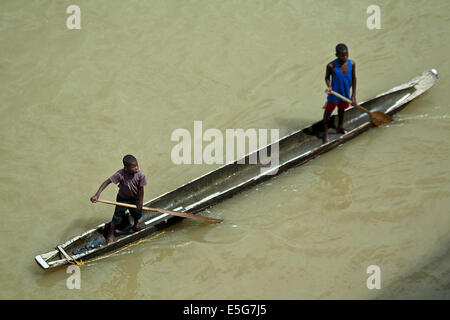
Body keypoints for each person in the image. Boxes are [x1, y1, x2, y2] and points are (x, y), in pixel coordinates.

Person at [90, 155, 147, 244]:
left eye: (137, 165)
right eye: (133, 166)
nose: (136, 168)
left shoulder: (140, 175)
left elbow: (141, 189)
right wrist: (97, 195)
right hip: (123, 198)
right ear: (126, 168)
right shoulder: (120, 174)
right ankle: (111, 235)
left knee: (137, 213)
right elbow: (106, 182)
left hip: (135, 199)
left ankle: (136, 225)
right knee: (117, 217)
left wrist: (140, 202)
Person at [323, 43, 357, 143]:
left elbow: (354, 78)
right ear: (336, 55)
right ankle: (325, 135)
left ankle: (340, 127)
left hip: (345, 94)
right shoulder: (331, 66)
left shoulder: (352, 64)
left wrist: (353, 95)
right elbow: (326, 77)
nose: (345, 57)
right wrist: (329, 86)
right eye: (342, 56)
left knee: (342, 111)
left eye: (347, 55)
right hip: (334, 95)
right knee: (327, 115)